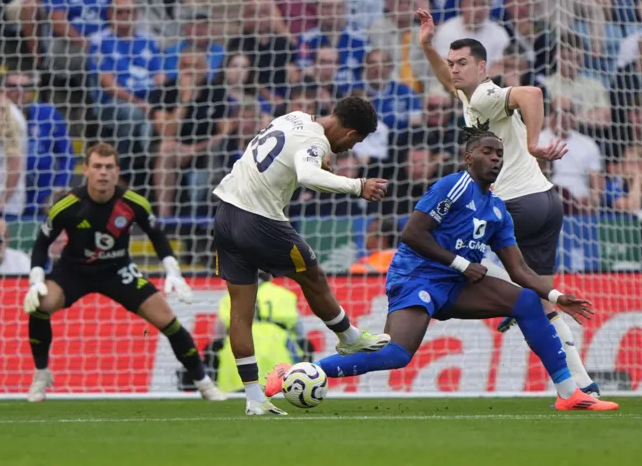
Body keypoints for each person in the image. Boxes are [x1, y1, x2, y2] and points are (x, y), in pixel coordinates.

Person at [265, 127, 619, 411]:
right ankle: (297, 372)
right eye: (487, 152)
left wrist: (557, 297)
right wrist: (463, 263)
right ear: (469, 158)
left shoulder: (497, 209)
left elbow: (519, 268)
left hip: (456, 284)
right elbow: (412, 233)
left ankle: (569, 393)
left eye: (500, 154)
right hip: (415, 277)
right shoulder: (453, 186)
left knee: (527, 301)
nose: (495, 158)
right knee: (397, 355)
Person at [417, 8, 601, 397]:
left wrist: (534, 143)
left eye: (462, 63)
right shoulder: (470, 96)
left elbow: (532, 93)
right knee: (545, 302)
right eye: (451, 63)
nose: (454, 70)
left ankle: (508, 301)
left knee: (443, 249)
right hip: (545, 204)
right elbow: (447, 82)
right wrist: (427, 47)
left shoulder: (484, 93)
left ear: (483, 67)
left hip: (514, 205)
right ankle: (585, 386)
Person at [211, 96, 390, 416]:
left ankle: (254, 399)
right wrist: (357, 185)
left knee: (240, 313)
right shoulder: (316, 142)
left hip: (225, 215)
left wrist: (316, 162)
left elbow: (293, 157)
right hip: (259, 220)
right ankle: (348, 337)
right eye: (355, 142)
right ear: (350, 134)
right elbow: (308, 175)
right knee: (313, 275)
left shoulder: (295, 118)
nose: (349, 149)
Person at [21, 142, 227, 403]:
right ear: (86, 170)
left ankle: (204, 384)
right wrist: (36, 278)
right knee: (40, 304)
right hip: (73, 270)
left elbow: (157, 236)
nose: (103, 173)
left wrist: (173, 271)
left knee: (167, 319)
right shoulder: (68, 205)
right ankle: (41, 375)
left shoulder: (133, 203)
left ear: (117, 171)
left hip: (118, 269)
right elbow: (41, 244)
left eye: (108, 167)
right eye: (97, 167)